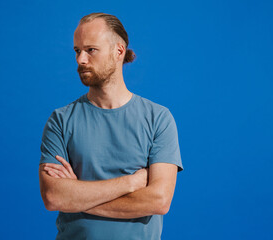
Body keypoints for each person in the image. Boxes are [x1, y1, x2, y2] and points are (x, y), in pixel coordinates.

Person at [39, 12, 183, 240]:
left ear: (119, 51)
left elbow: (159, 200)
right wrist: (131, 182)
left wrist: (78, 196)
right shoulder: (61, 120)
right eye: (77, 51)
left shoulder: (159, 119)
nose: (80, 60)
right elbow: (54, 197)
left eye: (90, 50)